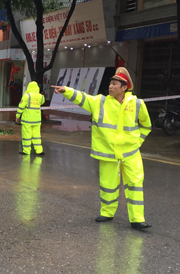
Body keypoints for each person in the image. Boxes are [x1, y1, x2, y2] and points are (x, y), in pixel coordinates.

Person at [52, 67, 152, 230]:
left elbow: (146, 126)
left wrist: (137, 142)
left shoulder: (137, 104)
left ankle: (137, 219)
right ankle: (107, 213)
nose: (110, 87)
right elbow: (83, 98)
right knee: (108, 184)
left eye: (114, 84)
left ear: (124, 87)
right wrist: (66, 91)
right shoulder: (100, 102)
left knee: (135, 183)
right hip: (108, 152)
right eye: (110, 84)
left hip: (131, 153)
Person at [16, 81, 45, 156]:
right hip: (37, 120)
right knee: (37, 136)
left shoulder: (26, 96)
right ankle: (39, 151)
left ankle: (26, 151)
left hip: (27, 120)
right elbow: (42, 103)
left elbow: (21, 106)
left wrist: (17, 116)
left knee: (27, 136)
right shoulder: (41, 96)